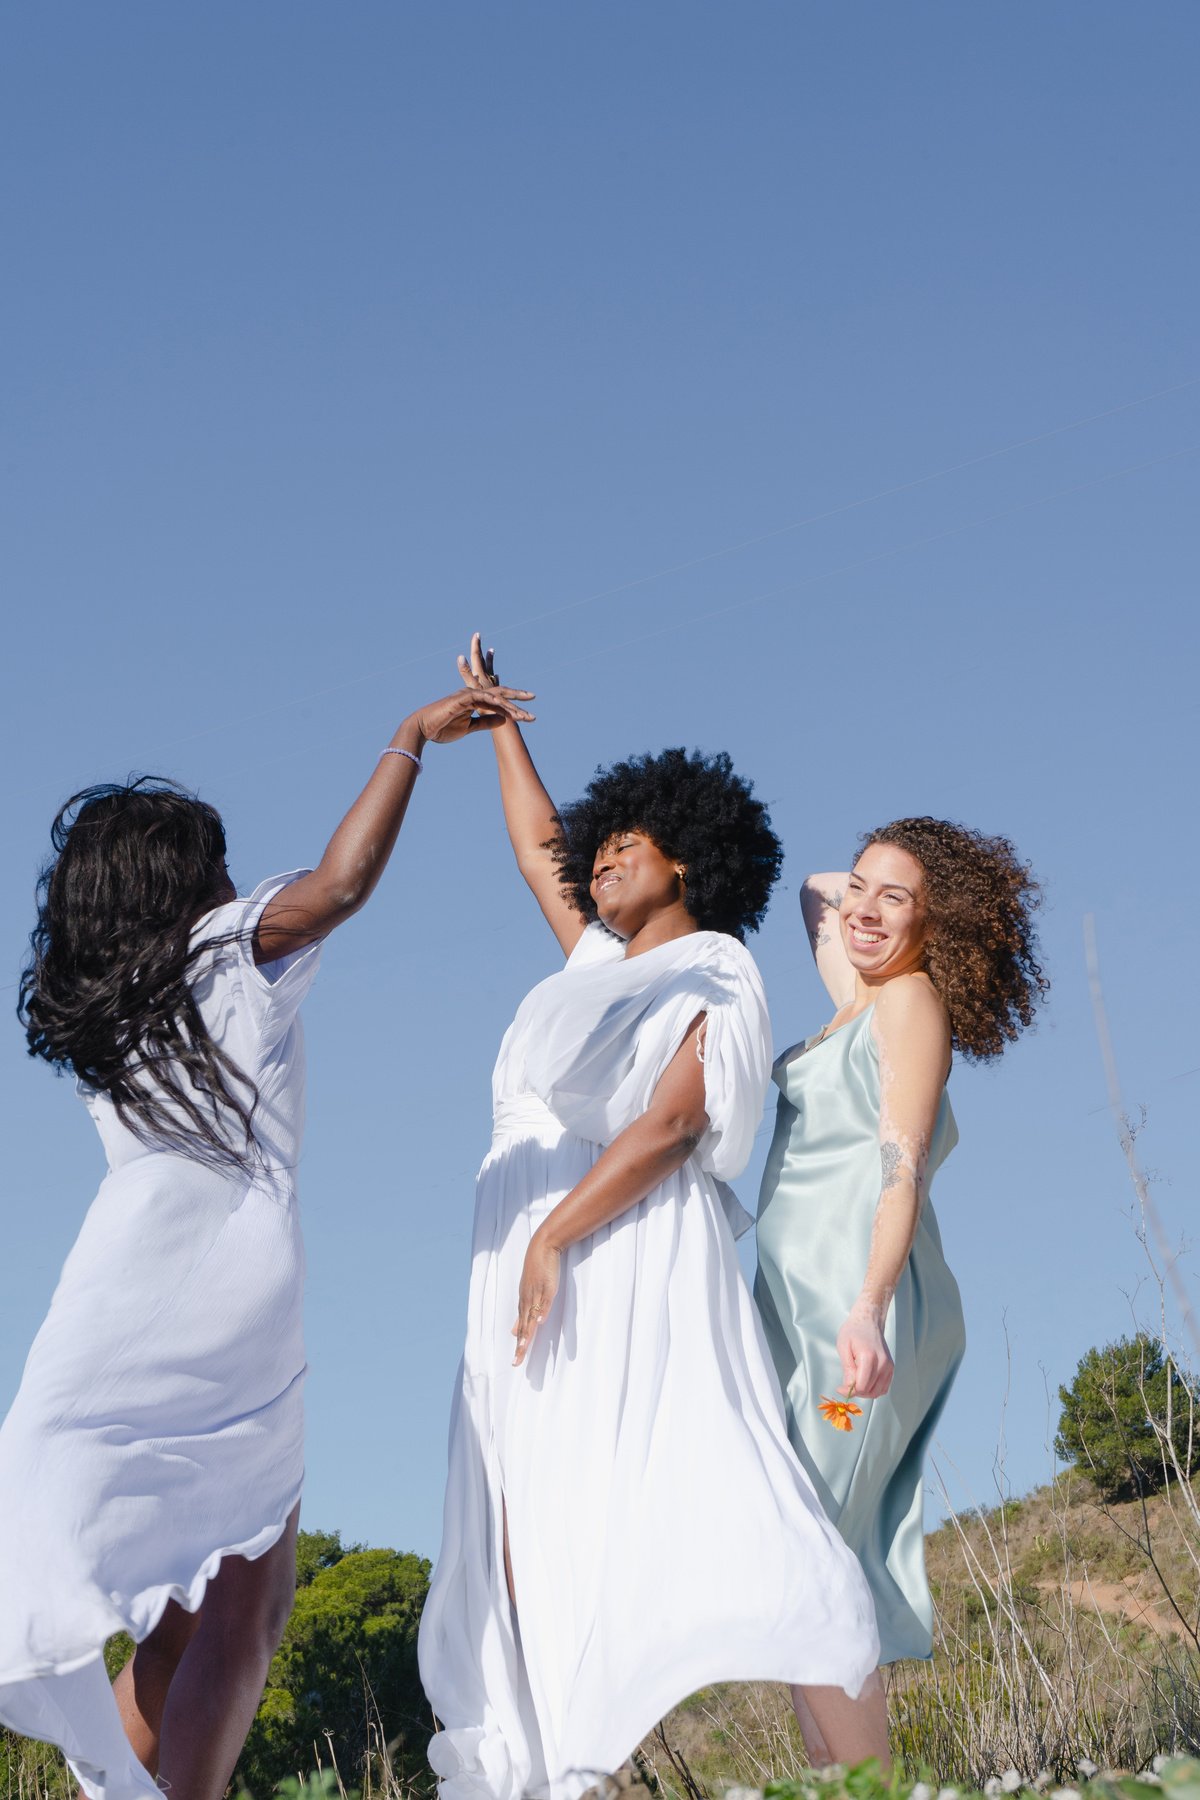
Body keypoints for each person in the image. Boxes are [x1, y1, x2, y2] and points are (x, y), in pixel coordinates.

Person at [0, 678, 534, 1800]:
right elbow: (341, 883)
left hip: (116, 1288)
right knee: (248, 1603)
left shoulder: (112, 1007)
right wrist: (410, 740)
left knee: (174, 1615)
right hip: (226, 1286)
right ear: (185, 882)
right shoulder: (221, 950)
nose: (242, 882)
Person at [418, 637, 883, 1800]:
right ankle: (560, 1774)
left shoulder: (715, 970)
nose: (601, 853)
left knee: (731, 1497)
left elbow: (677, 1125)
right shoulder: (596, 961)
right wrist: (496, 729)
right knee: (535, 1534)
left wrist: (557, 1233)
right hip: (529, 1265)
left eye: (631, 840)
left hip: (612, 1252)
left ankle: (877, 1779)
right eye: (603, 838)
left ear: (692, 862)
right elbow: (540, 855)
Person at [754, 817, 1047, 1752]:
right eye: (865, 891)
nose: (864, 910)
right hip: (797, 1321)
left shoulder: (908, 1003)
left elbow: (901, 1170)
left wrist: (869, 1308)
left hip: (858, 1319)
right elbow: (813, 885)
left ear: (939, 923)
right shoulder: (855, 994)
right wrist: (890, 887)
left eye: (896, 898)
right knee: (802, 1566)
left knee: (815, 1558)